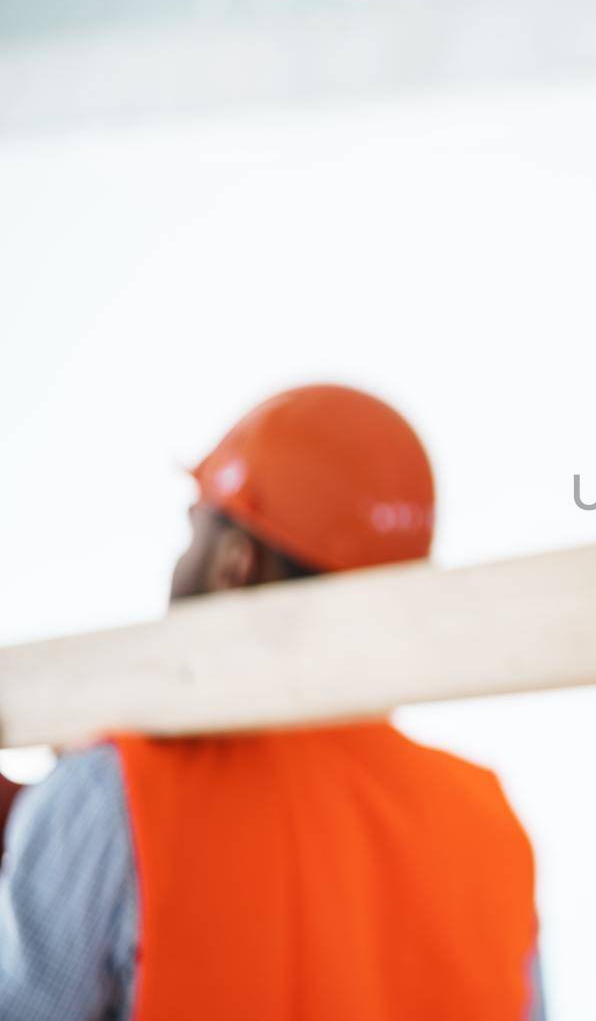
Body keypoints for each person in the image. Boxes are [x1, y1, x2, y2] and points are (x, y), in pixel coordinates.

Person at [0, 384, 547, 1020]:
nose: (180, 564)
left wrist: (61, 837)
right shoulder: (488, 826)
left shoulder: (112, 794)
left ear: (236, 565)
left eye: (194, 534)